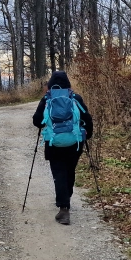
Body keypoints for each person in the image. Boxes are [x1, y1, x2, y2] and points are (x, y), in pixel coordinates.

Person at [32, 70, 93, 225]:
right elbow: (87, 118)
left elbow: (37, 121)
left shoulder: (47, 99)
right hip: (74, 142)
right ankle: (66, 198)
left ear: (51, 84)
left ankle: (63, 207)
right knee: (69, 171)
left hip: (54, 143)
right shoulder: (75, 98)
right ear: (68, 84)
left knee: (59, 173)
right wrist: (88, 134)